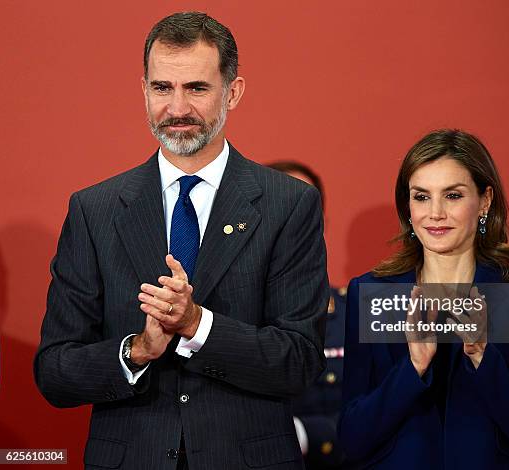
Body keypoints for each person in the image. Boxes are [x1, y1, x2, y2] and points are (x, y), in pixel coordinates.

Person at [34, 12, 328, 470]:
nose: (176, 109)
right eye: (161, 88)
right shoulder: (95, 210)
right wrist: (138, 350)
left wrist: (198, 325)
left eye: (196, 88)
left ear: (233, 92)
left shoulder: (288, 204)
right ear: (144, 90)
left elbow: (300, 361)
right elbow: (54, 372)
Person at [338, 129, 509, 469]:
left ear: (485, 200)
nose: (435, 213)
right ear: (407, 206)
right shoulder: (370, 293)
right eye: (421, 197)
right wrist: (413, 368)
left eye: (452, 195)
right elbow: (352, 436)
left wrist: (483, 357)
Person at [267, 161, 346, 469]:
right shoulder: (218, 322)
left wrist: (303, 435)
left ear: (322, 223)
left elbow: (387, 414)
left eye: (303, 213)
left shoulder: (361, 309)